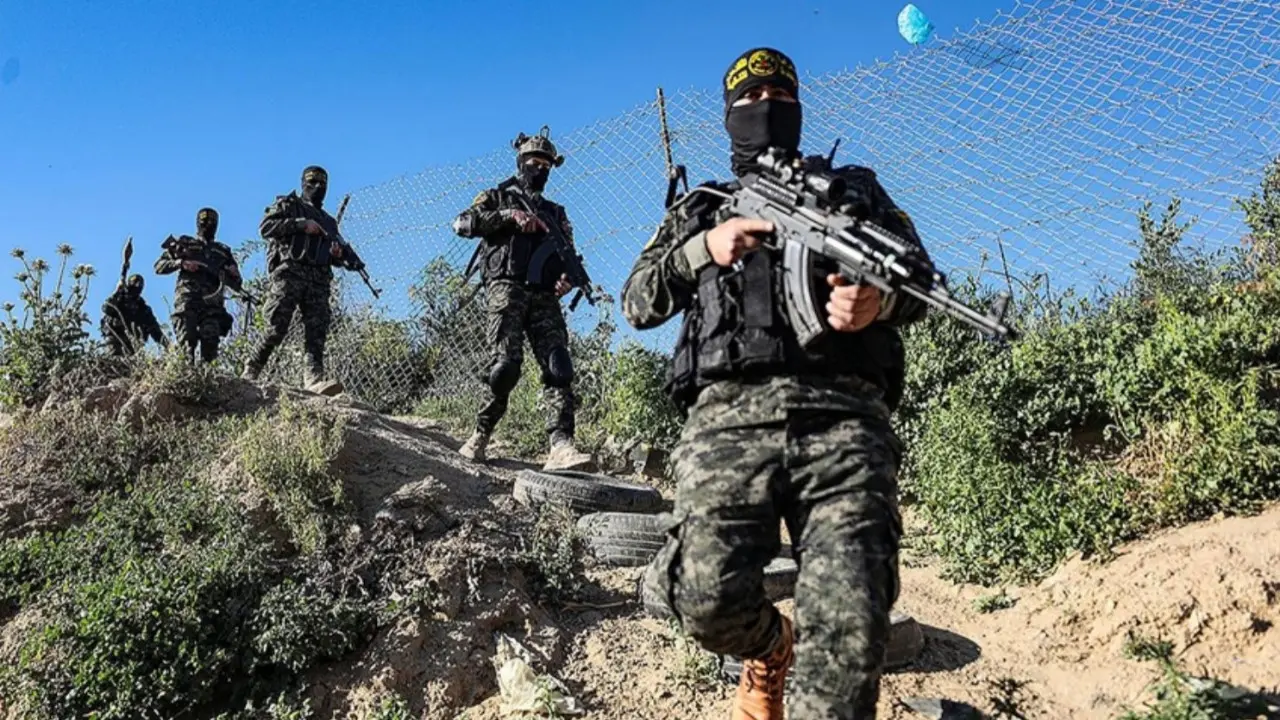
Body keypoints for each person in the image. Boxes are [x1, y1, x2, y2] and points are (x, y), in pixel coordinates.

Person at [622, 48, 930, 719]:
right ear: (730, 114)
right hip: (727, 420)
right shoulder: (702, 206)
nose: (768, 107)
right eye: (753, 96)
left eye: (782, 97)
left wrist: (878, 301)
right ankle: (769, 649)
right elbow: (636, 302)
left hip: (845, 418)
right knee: (703, 598)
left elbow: (922, 281)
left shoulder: (854, 191)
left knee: (850, 627)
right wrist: (703, 249)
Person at [450, 127, 594, 472]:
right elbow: (461, 224)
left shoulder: (556, 213)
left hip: (544, 296)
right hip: (506, 289)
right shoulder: (496, 196)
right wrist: (507, 217)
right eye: (534, 162)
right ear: (520, 162)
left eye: (546, 164)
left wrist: (567, 280)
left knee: (559, 365)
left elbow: (568, 255)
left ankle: (561, 445)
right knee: (505, 367)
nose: (540, 169)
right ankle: (481, 433)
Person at [241, 165, 364, 394]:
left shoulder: (328, 221)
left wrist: (337, 255)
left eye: (322, 183)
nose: (317, 187)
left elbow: (335, 256)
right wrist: (301, 225)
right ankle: (251, 369)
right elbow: (266, 228)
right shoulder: (289, 205)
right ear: (302, 183)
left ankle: (313, 380)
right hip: (290, 273)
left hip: (318, 279)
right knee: (276, 325)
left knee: (317, 331)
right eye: (312, 182)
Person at [154, 207, 240, 363]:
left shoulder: (223, 251)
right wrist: (182, 263)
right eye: (204, 221)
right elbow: (159, 266)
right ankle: (186, 376)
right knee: (186, 346)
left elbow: (237, 284)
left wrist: (233, 274)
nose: (208, 224)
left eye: (212, 221)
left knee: (210, 349)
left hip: (212, 305)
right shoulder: (184, 244)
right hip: (188, 301)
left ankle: (207, 377)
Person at [100, 273, 168, 356]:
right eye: (134, 282)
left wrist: (169, 347)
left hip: (133, 345)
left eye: (140, 284)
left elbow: (156, 331)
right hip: (115, 340)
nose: (137, 285)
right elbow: (106, 308)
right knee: (115, 360)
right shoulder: (119, 299)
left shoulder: (143, 309)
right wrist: (117, 291)